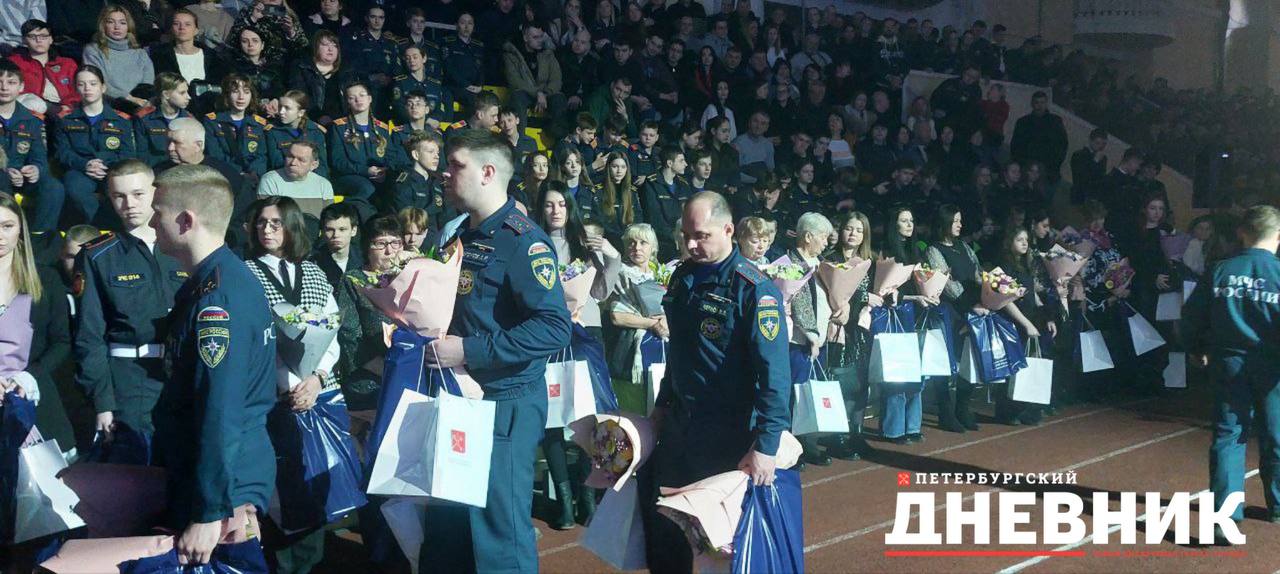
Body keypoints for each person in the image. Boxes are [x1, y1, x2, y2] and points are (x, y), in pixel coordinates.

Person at [419, 129, 572, 572]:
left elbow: (554, 328)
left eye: (456, 165)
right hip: (458, 397)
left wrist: (468, 349)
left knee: (498, 533)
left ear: (488, 173)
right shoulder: (458, 235)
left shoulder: (524, 241)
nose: (445, 174)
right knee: (447, 529)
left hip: (503, 403)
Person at [641, 191, 790, 572]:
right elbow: (679, 353)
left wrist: (767, 445)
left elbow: (774, 374)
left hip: (727, 434)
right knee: (667, 533)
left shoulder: (754, 290)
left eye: (702, 235)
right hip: (679, 426)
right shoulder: (683, 275)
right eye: (687, 235)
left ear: (728, 230)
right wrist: (660, 407)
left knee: (718, 547)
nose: (692, 244)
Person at [150, 164, 276, 567]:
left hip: (223, 488)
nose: (152, 220)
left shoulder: (217, 299)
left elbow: (220, 408)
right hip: (214, 476)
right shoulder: (218, 280)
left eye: (158, 211)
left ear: (186, 220)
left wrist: (208, 511)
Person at [242, 196, 341, 572]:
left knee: (312, 485)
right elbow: (253, 339)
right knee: (280, 495)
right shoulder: (245, 273)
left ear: (292, 227)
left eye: (276, 223)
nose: (267, 229)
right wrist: (287, 383)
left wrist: (315, 379)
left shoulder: (315, 273)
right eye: (262, 223)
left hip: (314, 398)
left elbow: (330, 334)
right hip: (270, 398)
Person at [72, 159, 184, 464]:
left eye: (137, 194)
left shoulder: (182, 245)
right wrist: (102, 402)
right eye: (119, 196)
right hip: (129, 382)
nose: (129, 204)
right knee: (137, 478)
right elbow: (89, 334)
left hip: (182, 376)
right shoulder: (98, 256)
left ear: (155, 192)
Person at [1184, 205, 1280, 543]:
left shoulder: (1220, 270)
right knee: (1276, 434)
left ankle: (1224, 519)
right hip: (1272, 367)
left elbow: (1194, 315)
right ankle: (1278, 505)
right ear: (1278, 236)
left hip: (1229, 362)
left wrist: (1197, 348)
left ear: (1243, 233)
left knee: (1228, 437)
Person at [531, 180, 621, 530]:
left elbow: (599, 289)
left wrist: (610, 256)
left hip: (585, 335)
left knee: (586, 419)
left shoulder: (585, 244)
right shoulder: (532, 243)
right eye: (549, 205)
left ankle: (588, 498)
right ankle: (565, 504)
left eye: (562, 205)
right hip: (546, 338)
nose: (556, 211)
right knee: (554, 420)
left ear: (570, 207)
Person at [0, 192, 77, 458]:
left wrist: (29, 375)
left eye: (7, 226)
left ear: (20, 230)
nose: (0, 235)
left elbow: (61, 342)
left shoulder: (46, 278)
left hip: (33, 401)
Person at [823, 211, 878, 459]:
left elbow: (880, 292)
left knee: (860, 384)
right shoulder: (829, 260)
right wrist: (860, 300)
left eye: (858, 230)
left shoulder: (870, 263)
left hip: (861, 331)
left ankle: (856, 434)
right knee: (840, 383)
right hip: (837, 330)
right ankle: (838, 437)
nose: (853, 234)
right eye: (849, 228)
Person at [926, 205, 985, 432]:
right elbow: (946, 284)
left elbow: (978, 273)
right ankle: (945, 411)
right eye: (956, 221)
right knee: (946, 362)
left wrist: (993, 292)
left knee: (968, 360)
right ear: (945, 222)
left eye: (960, 220)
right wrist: (971, 306)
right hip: (950, 311)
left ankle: (962, 406)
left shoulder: (964, 246)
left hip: (973, 309)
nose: (960, 225)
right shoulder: (934, 250)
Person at [54, 65, 137, 227]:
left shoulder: (121, 120)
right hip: (79, 170)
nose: (87, 89)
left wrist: (104, 164)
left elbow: (127, 153)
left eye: (93, 84)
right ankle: (99, 229)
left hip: (112, 168)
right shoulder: (66, 119)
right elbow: (62, 152)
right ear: (75, 88)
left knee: (122, 190)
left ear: (103, 87)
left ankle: (121, 230)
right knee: (75, 189)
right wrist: (85, 164)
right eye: (81, 84)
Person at [785, 212, 835, 466]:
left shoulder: (822, 264)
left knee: (812, 395)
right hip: (799, 342)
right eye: (823, 237)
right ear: (808, 236)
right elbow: (798, 302)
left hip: (820, 341)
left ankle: (810, 444)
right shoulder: (790, 264)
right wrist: (812, 336)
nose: (827, 242)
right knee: (795, 395)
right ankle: (792, 450)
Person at [0, 59, 62, 233]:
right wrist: (7, 171)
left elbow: (39, 157)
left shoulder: (31, 120)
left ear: (21, 87)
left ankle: (39, 240)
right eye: (0, 82)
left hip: (22, 177)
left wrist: (35, 169)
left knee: (53, 187)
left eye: (11, 82)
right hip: (3, 177)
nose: (4, 87)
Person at [327, 81, 407, 201]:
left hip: (379, 175)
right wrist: (366, 171)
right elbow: (338, 162)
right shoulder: (338, 127)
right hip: (348, 177)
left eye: (362, 95)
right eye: (352, 98)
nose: (358, 100)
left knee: (400, 185)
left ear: (370, 98)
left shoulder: (382, 128)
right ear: (347, 103)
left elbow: (391, 156)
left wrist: (384, 171)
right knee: (367, 188)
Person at [149, 9, 228, 116]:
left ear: (196, 30)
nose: (182, 28)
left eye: (188, 24)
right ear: (171, 28)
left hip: (209, 112)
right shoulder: (159, 56)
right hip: (174, 112)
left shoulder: (214, 57)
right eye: (177, 24)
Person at [81, 5, 154, 114]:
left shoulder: (141, 54)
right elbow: (98, 84)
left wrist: (138, 102)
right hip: (109, 105)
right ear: (103, 25)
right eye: (111, 22)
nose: (117, 27)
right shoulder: (93, 51)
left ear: (128, 27)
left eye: (122, 23)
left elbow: (147, 85)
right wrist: (128, 98)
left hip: (139, 105)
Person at [202, 74, 270, 180]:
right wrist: (238, 174)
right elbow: (215, 155)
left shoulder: (258, 124)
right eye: (235, 92)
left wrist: (255, 173)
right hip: (224, 177)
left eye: (246, 92)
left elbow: (261, 156)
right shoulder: (212, 122)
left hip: (253, 180)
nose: (241, 97)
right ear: (227, 94)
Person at [502, 23, 566, 130]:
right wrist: (537, 93)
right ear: (525, 38)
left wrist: (545, 94)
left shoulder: (548, 55)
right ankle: (519, 137)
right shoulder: (512, 55)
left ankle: (558, 137)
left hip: (545, 95)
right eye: (535, 37)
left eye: (541, 36)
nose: (540, 40)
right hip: (526, 93)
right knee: (517, 96)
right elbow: (515, 81)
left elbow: (556, 80)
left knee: (559, 98)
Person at [7, 19, 80, 113]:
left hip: (66, 109)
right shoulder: (14, 62)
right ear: (24, 40)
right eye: (32, 37)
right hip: (33, 110)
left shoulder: (67, 63)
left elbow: (79, 89)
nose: (39, 40)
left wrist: (68, 106)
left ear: (51, 39)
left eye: (43, 36)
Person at [286, 29, 354, 125]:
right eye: (325, 45)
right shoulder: (302, 67)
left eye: (334, 46)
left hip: (343, 124)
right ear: (315, 47)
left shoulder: (346, 71)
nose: (331, 49)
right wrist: (319, 116)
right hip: (311, 122)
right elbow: (299, 96)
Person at [386, 130, 450, 230]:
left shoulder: (437, 182)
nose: (437, 156)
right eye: (430, 152)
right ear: (415, 155)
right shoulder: (404, 185)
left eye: (437, 153)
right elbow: (406, 223)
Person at [134, 73, 194, 168]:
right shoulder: (144, 119)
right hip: (154, 171)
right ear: (166, 94)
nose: (188, 97)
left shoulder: (190, 120)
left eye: (187, 92)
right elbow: (141, 155)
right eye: (182, 93)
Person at [265, 90, 329, 178]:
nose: (281, 112)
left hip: (312, 181)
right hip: (285, 179)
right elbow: (276, 163)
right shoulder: (273, 131)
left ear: (301, 112)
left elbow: (322, 165)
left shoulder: (315, 132)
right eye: (280, 107)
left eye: (287, 108)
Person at [1009, 91, 1067, 186]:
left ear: (1046, 104)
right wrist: (1022, 165)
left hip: (1048, 169)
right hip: (1026, 167)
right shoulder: (1023, 122)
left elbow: (1062, 145)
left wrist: (1053, 164)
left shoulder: (1055, 122)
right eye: (1037, 102)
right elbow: (1015, 146)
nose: (1040, 106)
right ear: (1032, 104)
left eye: (1042, 102)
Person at [256, 140, 334, 203]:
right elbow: (267, 214)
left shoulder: (323, 185)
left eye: (301, 160)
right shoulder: (271, 180)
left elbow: (328, 218)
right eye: (290, 156)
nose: (293, 163)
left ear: (314, 165)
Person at [311, 202, 361, 291]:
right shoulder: (312, 262)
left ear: (354, 230)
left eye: (342, 229)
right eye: (330, 230)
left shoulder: (365, 259)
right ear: (322, 231)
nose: (336, 235)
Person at [1069, 129, 1107, 205]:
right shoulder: (1079, 155)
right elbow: (1081, 178)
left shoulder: (1103, 159)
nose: (1100, 147)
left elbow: (1100, 178)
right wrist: (1095, 162)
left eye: (1103, 144)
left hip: (1092, 198)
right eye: (1097, 143)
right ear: (1090, 141)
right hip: (1078, 195)